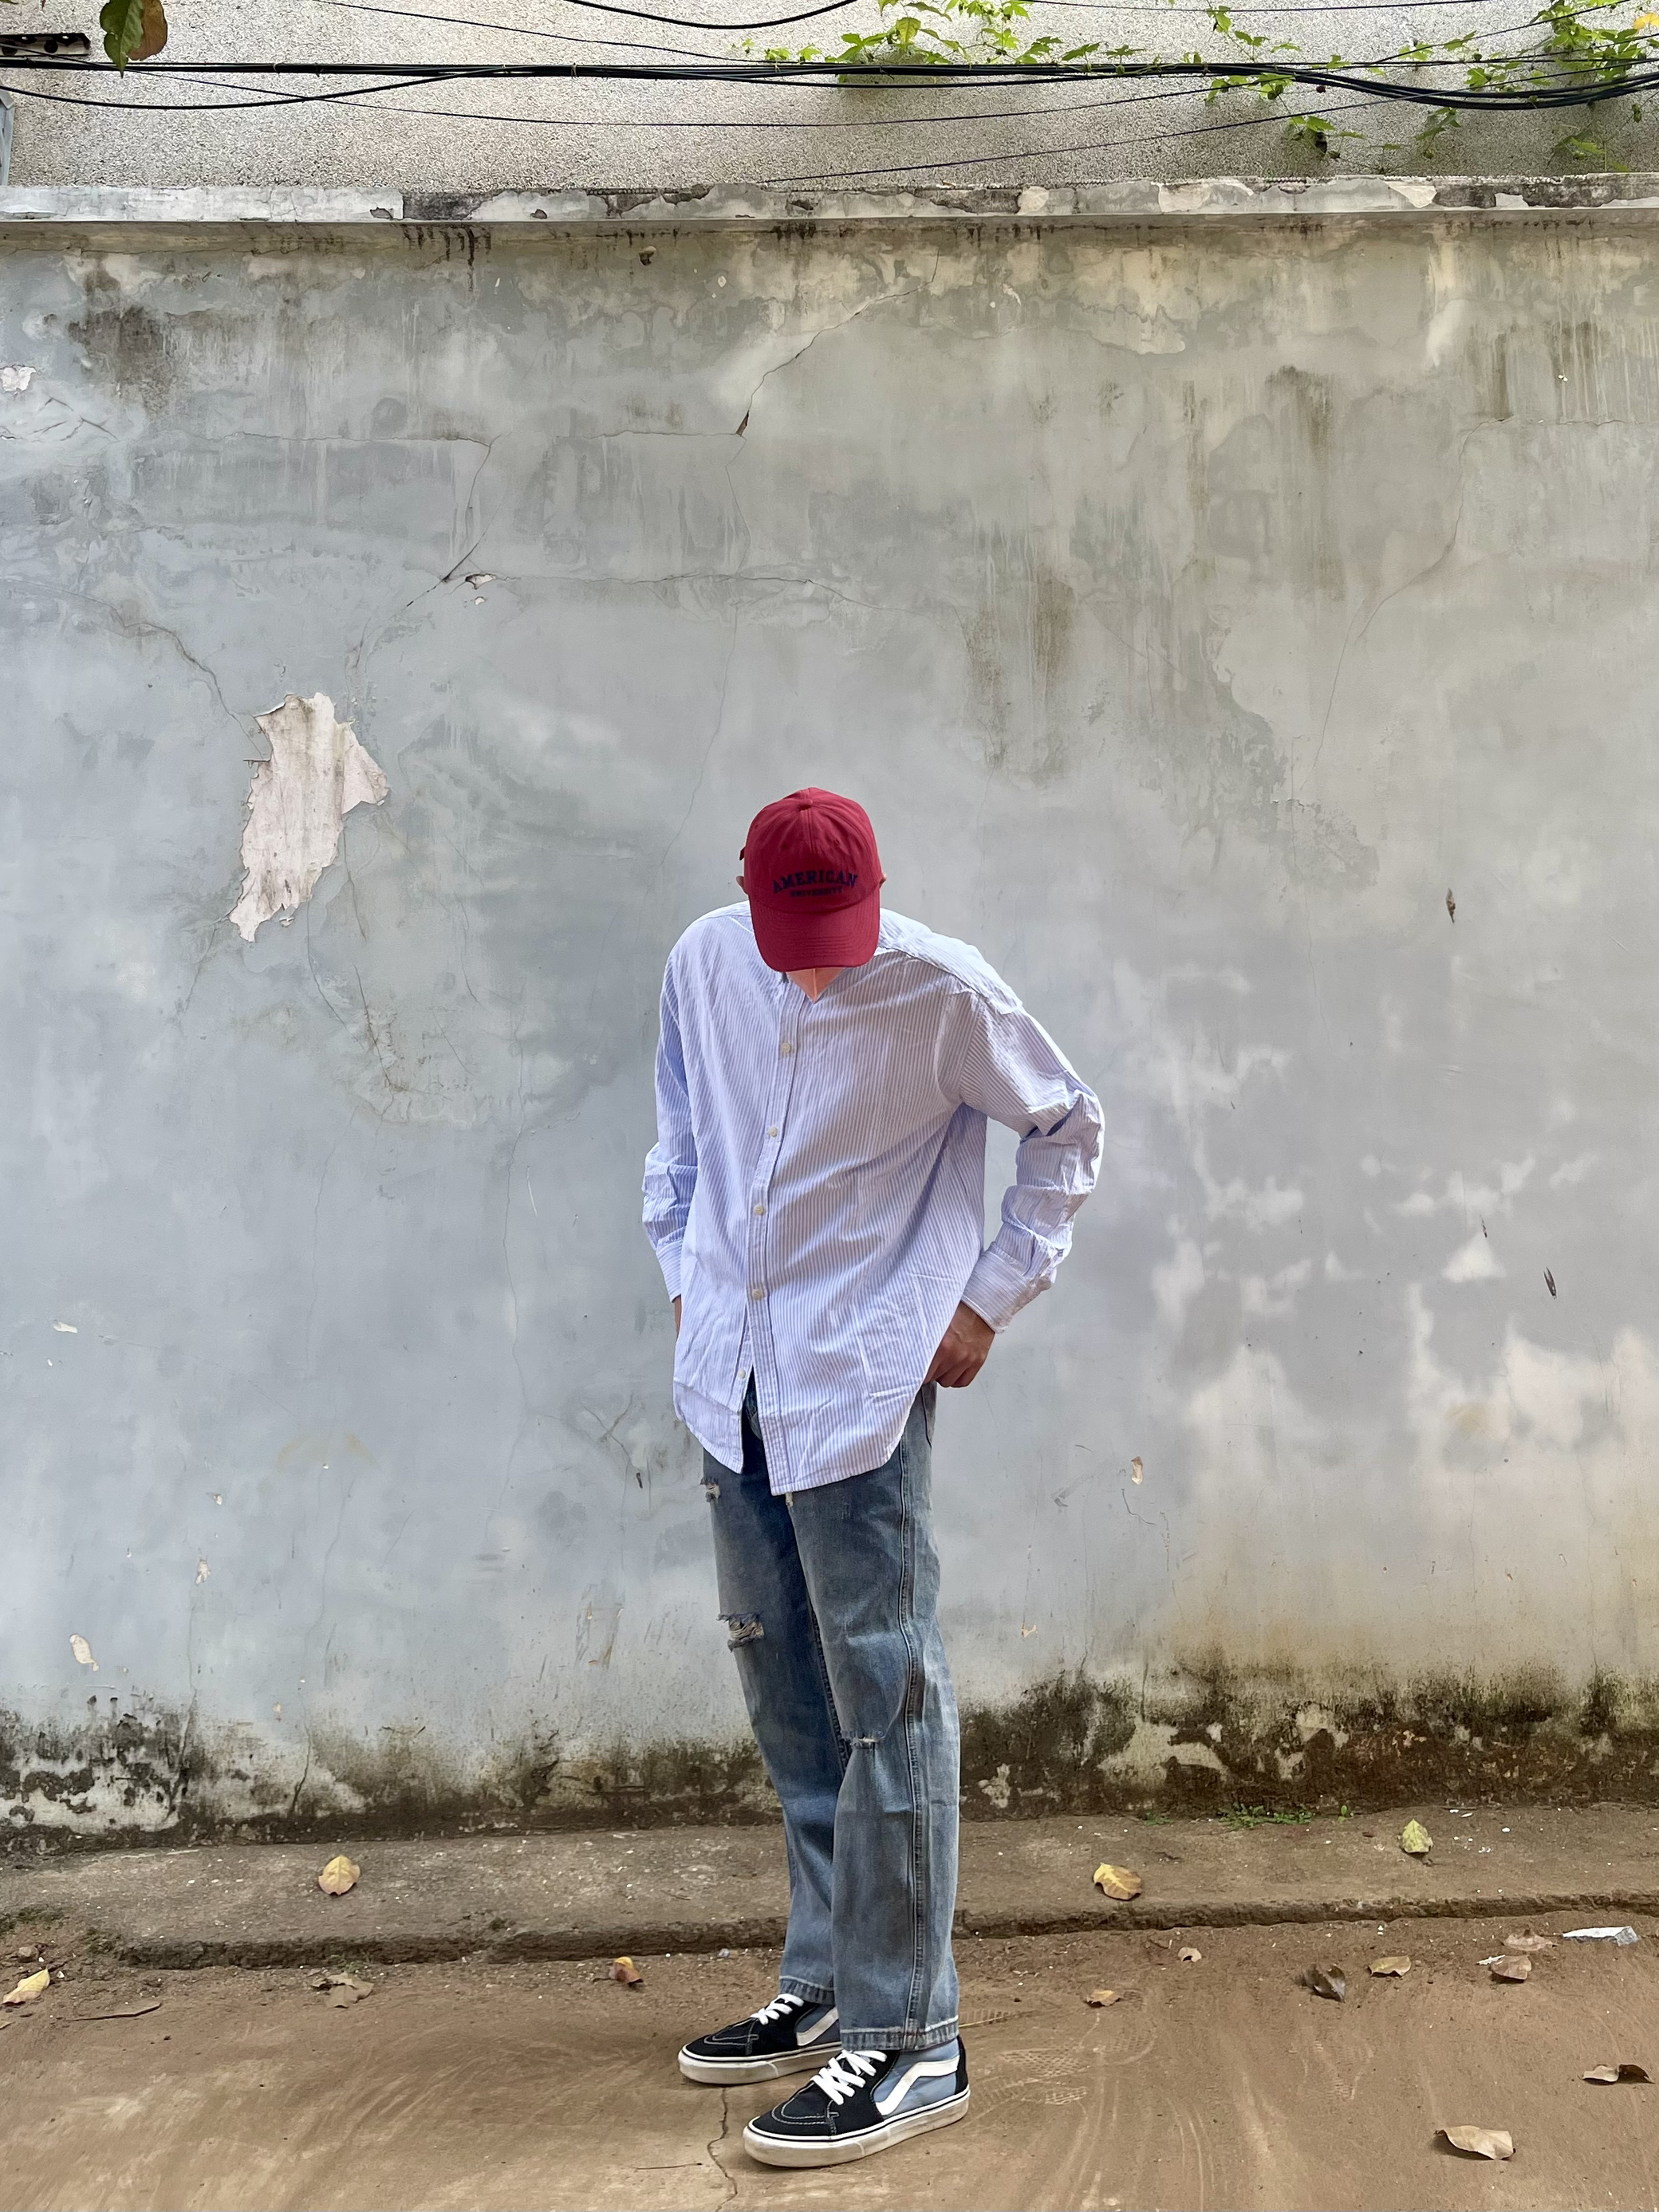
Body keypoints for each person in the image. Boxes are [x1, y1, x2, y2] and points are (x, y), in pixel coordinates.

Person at [642, 788, 1101, 2170]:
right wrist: (685, 1276)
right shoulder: (702, 962)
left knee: (888, 1697)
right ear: (747, 897)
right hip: (733, 1384)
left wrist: (985, 1302)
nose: (813, 968)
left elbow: (1069, 1127)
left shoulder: (945, 991)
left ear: (877, 898)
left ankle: (916, 2035)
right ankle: (835, 1979)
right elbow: (679, 1131)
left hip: (857, 1386)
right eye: (790, 938)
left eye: (835, 938)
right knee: (788, 1692)